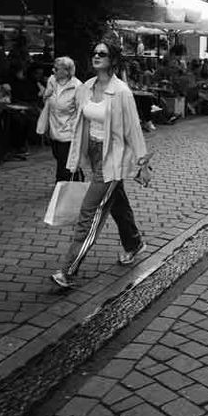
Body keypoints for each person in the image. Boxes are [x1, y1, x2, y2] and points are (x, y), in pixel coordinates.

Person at [51, 40, 151, 288]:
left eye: (102, 53)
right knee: (117, 202)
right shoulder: (86, 87)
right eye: (94, 52)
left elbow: (133, 129)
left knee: (90, 210)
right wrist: (75, 153)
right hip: (94, 153)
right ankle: (134, 243)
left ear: (112, 59)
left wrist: (142, 163)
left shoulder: (121, 92)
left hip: (112, 158)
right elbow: (80, 121)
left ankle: (68, 270)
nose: (96, 56)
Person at [37, 56, 81, 183]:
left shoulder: (77, 86)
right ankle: (74, 179)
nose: (53, 70)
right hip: (54, 129)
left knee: (64, 163)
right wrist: (46, 95)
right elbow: (47, 101)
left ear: (66, 71)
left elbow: (81, 110)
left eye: (56, 69)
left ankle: (63, 186)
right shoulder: (52, 81)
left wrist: (74, 127)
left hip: (68, 132)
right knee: (58, 157)